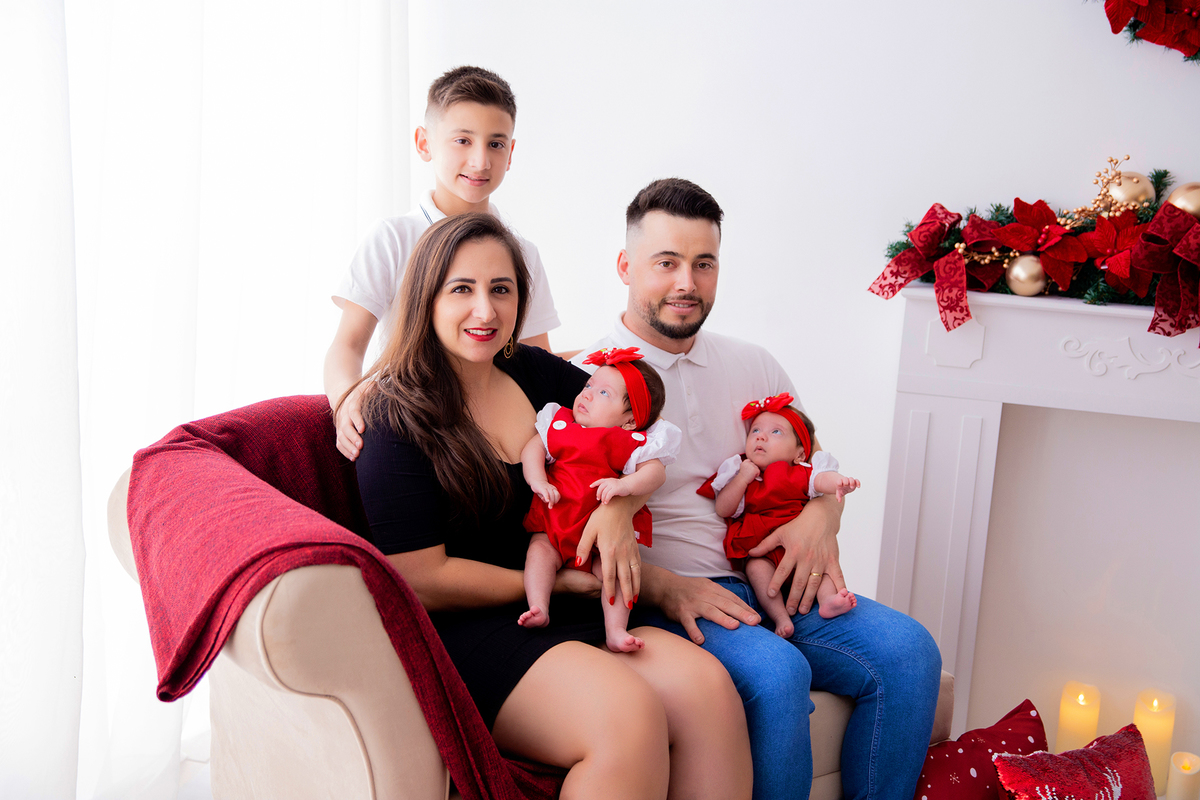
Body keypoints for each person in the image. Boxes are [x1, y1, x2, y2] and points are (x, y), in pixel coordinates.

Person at [345, 211, 751, 800]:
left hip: (572, 602)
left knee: (710, 692)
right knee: (626, 718)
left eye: (501, 290)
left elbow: (633, 426)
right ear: (424, 298)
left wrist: (614, 509)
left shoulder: (533, 372)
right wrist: (554, 585)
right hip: (470, 629)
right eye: (462, 289)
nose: (485, 311)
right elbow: (419, 578)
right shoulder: (394, 416)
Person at [574, 178, 942, 800]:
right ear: (625, 266)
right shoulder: (587, 379)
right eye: (666, 263)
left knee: (910, 653)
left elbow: (815, 462)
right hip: (675, 597)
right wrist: (659, 586)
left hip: (772, 576)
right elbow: (576, 520)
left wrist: (826, 511)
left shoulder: (755, 363)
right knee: (776, 674)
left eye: (704, 263)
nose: (686, 282)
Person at [326, 65, 560, 461]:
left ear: (511, 152)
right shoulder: (392, 238)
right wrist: (346, 400)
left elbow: (537, 361)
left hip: (501, 436)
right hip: (415, 430)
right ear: (424, 143)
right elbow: (347, 345)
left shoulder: (523, 253)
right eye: (463, 140)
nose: (480, 160)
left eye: (496, 144)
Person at [520, 347, 681, 653]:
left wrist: (626, 486)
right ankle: (539, 605)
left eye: (603, 392)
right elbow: (533, 450)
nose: (587, 394)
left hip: (601, 539)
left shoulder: (627, 440)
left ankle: (616, 629)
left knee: (615, 574)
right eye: (588, 385)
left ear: (630, 420)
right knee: (539, 552)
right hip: (555, 520)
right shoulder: (561, 422)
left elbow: (655, 473)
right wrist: (538, 480)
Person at [703, 393, 860, 638]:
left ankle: (829, 599)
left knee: (823, 567)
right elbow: (723, 509)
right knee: (756, 569)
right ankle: (780, 617)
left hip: (803, 543)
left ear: (799, 453)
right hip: (762, 550)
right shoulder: (743, 473)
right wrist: (742, 478)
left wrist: (839, 483)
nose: (761, 436)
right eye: (755, 430)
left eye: (776, 432)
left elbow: (820, 479)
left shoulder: (798, 472)